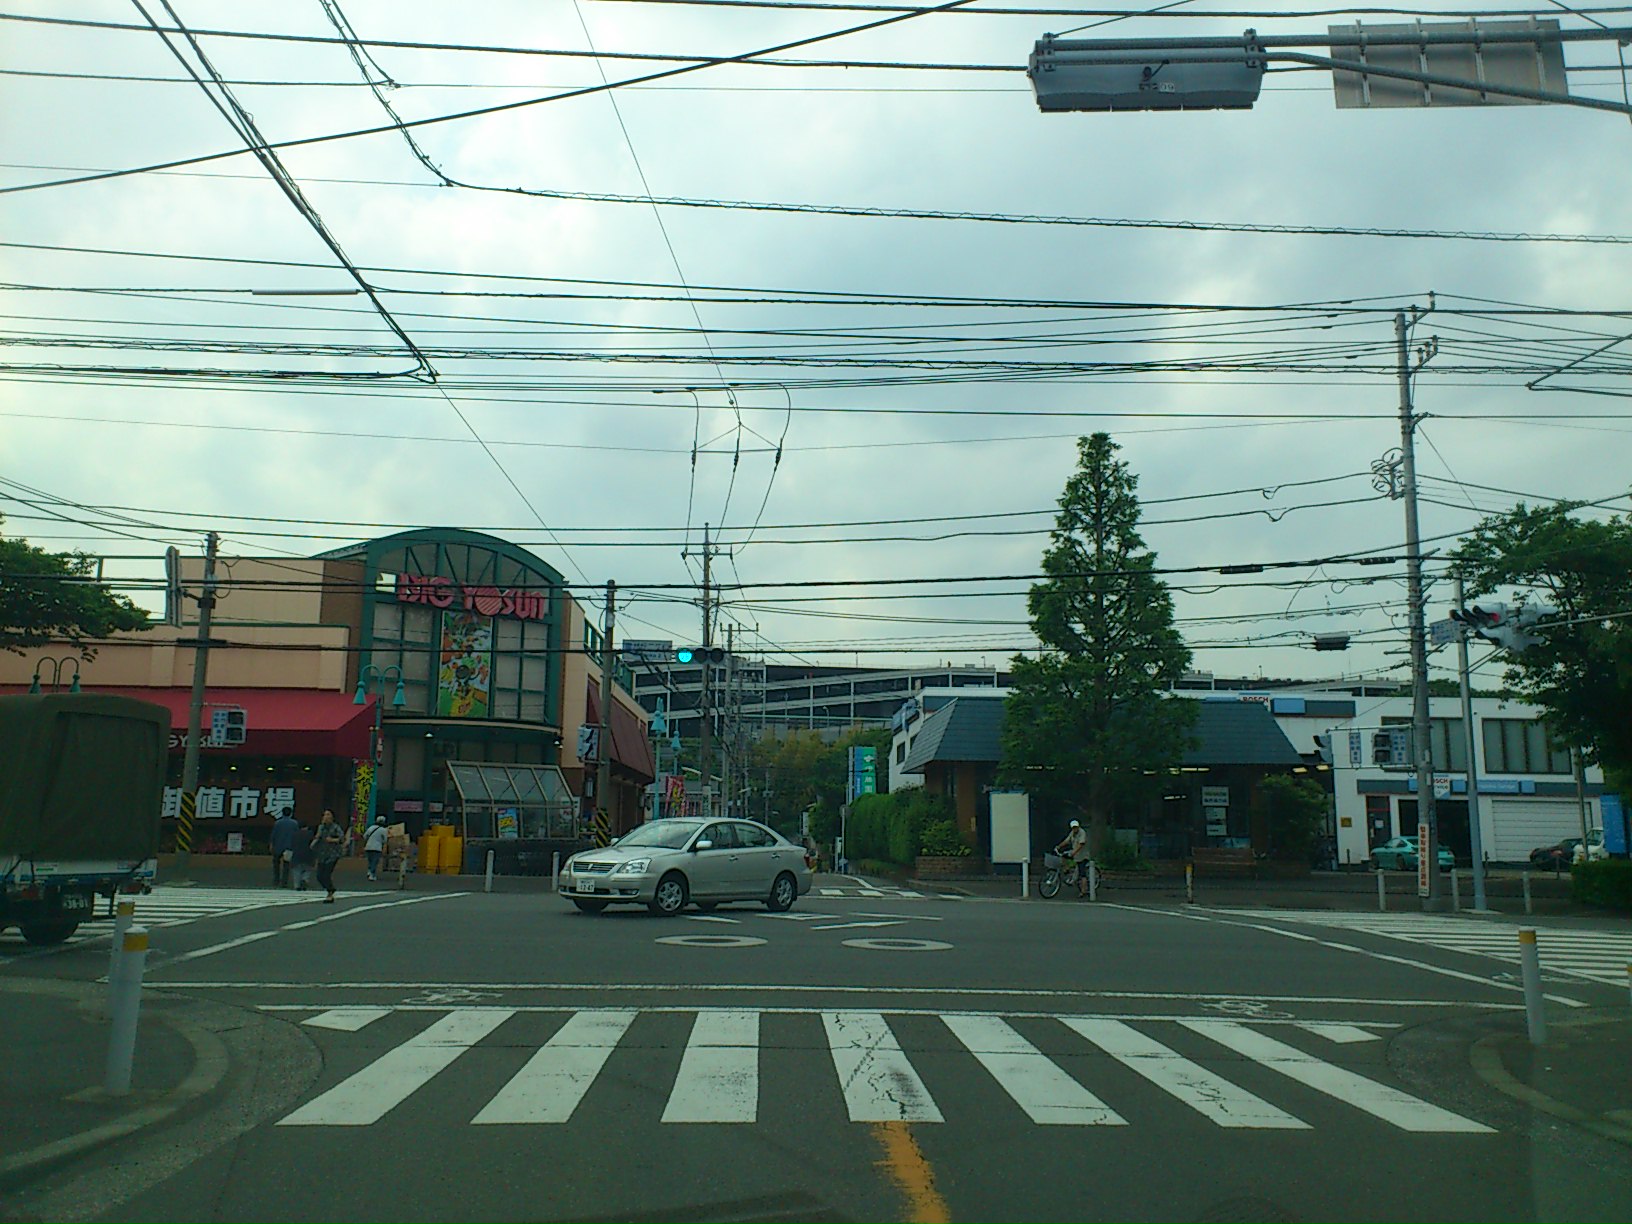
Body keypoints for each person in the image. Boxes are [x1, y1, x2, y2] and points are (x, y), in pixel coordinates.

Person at [312, 808, 346, 903]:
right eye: (324, 815)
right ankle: (330, 889)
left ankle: (330, 893)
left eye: (328, 815)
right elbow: (318, 836)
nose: (326, 817)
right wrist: (313, 843)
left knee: (326, 874)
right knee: (319, 875)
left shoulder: (336, 827)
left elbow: (342, 839)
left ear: (332, 817)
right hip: (322, 853)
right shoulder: (321, 827)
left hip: (333, 854)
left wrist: (333, 840)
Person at [1055, 818, 1090, 899]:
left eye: (1076, 827)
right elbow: (1067, 841)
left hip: (1082, 855)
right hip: (1075, 854)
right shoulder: (1072, 833)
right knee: (1063, 855)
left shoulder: (1082, 833)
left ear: (1078, 826)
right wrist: (1059, 846)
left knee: (1082, 873)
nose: (1075, 829)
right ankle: (1066, 869)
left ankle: (1083, 891)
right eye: (1073, 828)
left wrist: (1074, 852)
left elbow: (1081, 844)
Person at [269, 806, 299, 888]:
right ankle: (284, 882)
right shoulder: (294, 823)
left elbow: (273, 835)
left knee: (276, 864)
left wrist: (271, 844)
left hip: (278, 846)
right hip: (289, 846)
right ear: (291, 813)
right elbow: (296, 835)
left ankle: (276, 880)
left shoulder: (277, 823)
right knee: (286, 865)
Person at [289, 820, 316, 892]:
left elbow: (291, 845)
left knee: (296, 871)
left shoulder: (294, 834)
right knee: (307, 869)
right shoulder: (310, 833)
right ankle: (304, 879)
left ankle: (297, 885)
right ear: (306, 827)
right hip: (308, 855)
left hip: (297, 854)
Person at [363, 815, 389, 882]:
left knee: (370, 860)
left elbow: (365, 836)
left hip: (368, 846)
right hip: (377, 847)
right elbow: (385, 840)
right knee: (375, 861)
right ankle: (372, 874)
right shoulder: (384, 830)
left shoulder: (371, 828)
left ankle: (369, 871)